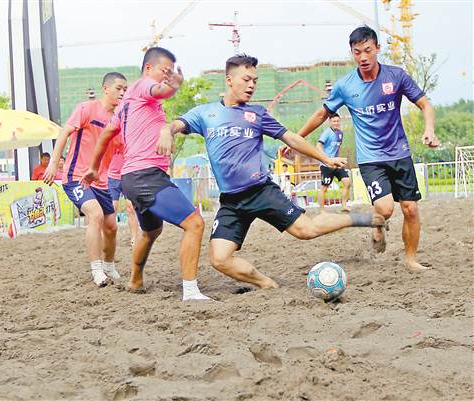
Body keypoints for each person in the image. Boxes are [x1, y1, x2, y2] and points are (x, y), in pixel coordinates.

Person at [157, 54, 385, 289]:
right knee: (220, 258)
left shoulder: (257, 114)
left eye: (255, 80)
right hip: (231, 201)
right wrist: (167, 131)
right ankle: (268, 285)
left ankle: (359, 218)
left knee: (306, 231)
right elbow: (176, 124)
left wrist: (325, 158)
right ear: (229, 79)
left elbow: (293, 139)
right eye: (246, 79)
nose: (252, 85)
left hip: (260, 191)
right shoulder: (205, 113)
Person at [295, 26, 439, 272]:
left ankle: (411, 259)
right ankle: (378, 226)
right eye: (357, 52)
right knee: (384, 209)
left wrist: (429, 129)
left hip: (400, 153)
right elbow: (322, 114)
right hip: (371, 158)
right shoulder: (345, 86)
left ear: (377, 49)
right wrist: (295, 138)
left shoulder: (396, 76)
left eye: (367, 51)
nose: (362, 57)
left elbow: (425, 104)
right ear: (352, 53)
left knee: (411, 209)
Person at [83, 47, 209, 301]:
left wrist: (94, 167)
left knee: (151, 231)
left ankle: (135, 281)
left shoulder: (126, 105)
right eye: (165, 71)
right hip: (145, 176)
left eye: (171, 72)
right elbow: (160, 90)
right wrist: (173, 86)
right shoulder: (142, 86)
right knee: (195, 224)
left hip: (133, 177)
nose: (168, 75)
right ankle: (191, 291)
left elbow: (107, 134)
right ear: (148, 69)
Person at [44, 72, 128, 287]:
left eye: (125, 90)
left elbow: (123, 150)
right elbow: (64, 133)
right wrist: (54, 163)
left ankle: (109, 266)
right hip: (76, 177)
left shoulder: (119, 121)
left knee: (112, 227)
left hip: (102, 181)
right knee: (96, 215)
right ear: (105, 89)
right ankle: (97, 269)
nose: (122, 93)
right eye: (119, 88)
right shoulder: (87, 108)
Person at [317, 113, 352, 212]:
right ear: (330, 122)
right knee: (324, 187)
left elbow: (337, 148)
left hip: (336, 163)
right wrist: (326, 159)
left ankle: (344, 206)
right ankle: (321, 210)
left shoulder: (340, 133)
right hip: (326, 165)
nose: (336, 123)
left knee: (347, 182)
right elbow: (318, 146)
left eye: (337, 121)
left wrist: (338, 160)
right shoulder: (327, 133)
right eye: (334, 121)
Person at [107, 138, 139, 247]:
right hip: (112, 176)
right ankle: (109, 238)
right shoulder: (111, 134)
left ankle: (134, 239)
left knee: (131, 208)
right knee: (112, 208)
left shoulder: (130, 133)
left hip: (128, 174)